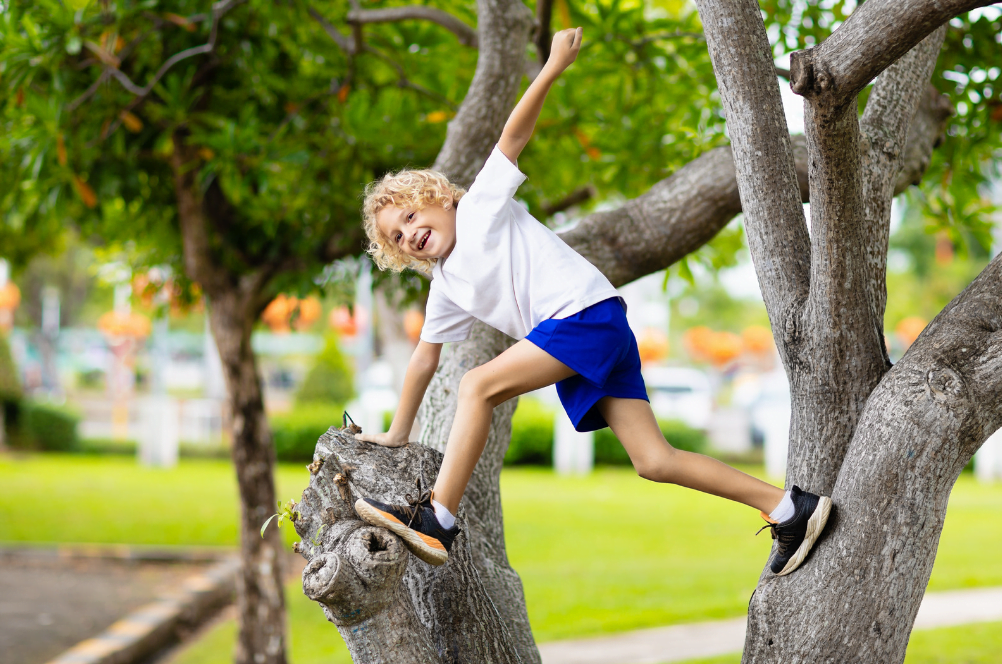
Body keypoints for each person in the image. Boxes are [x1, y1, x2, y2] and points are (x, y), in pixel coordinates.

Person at [353, 27, 832, 577]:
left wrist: (552, 67)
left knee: (476, 385)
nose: (408, 232)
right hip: (586, 333)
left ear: (437, 199)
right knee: (653, 461)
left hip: (583, 318)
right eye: (395, 236)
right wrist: (396, 432)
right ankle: (791, 509)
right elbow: (422, 359)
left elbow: (511, 137)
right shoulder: (447, 285)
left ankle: (438, 518)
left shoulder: (479, 208)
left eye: (411, 216)